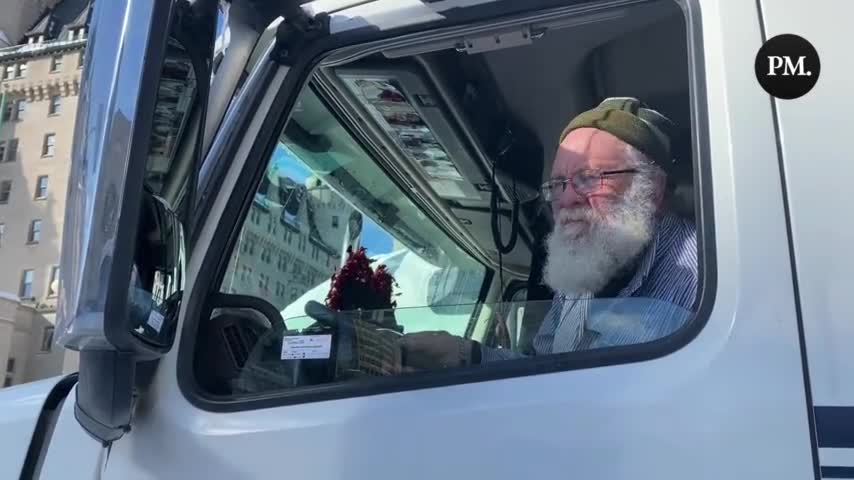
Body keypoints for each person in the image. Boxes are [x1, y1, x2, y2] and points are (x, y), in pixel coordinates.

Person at [397, 97, 699, 370]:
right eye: (557, 184)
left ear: (650, 191)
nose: (566, 199)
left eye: (590, 178)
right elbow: (544, 369)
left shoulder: (708, 276)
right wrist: (465, 355)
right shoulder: (581, 272)